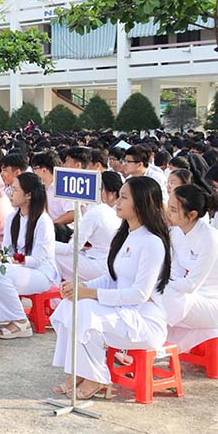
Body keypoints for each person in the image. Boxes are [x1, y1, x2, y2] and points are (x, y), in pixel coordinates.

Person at [50, 176, 171, 400]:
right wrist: (81, 287)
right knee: (71, 306)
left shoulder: (152, 242)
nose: (117, 201)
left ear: (141, 203)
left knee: (85, 310)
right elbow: (112, 277)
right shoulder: (127, 235)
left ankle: (95, 377)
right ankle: (79, 370)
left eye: (124, 197)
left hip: (143, 319)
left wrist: (90, 294)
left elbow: (139, 294)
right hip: (121, 312)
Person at [0, 172, 58, 338]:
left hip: (42, 274)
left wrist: (8, 260)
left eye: (15, 190)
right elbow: (7, 250)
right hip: (20, 269)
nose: (10, 193)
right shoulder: (12, 217)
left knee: (0, 271)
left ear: (28, 195)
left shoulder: (43, 221)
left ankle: (20, 321)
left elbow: (37, 260)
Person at [161, 185, 218, 354]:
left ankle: (137, 342)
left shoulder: (210, 238)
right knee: (156, 291)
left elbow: (190, 285)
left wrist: (165, 285)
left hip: (211, 300)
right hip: (189, 295)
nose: (167, 214)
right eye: (168, 207)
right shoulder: (176, 232)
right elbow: (175, 271)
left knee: (161, 295)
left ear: (192, 215)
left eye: (173, 210)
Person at [55, 171, 123, 281]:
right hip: (107, 262)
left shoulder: (95, 212)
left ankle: (54, 295)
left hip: (102, 266)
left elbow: (71, 248)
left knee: (54, 255)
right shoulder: (104, 210)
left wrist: (45, 243)